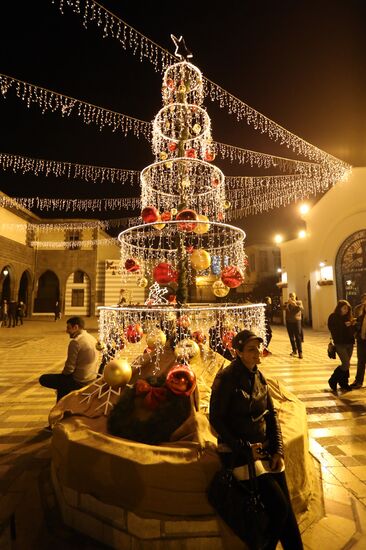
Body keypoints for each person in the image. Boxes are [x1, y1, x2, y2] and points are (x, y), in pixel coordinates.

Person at [209, 329, 303, 549]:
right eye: (251, 349)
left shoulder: (259, 376)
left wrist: (278, 449)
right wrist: (243, 448)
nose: (257, 352)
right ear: (238, 352)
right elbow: (216, 419)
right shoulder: (227, 378)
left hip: (265, 450)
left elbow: (271, 414)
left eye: (258, 348)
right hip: (241, 454)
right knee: (279, 507)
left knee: (286, 507)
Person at [39, 316, 98, 402]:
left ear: (76, 327)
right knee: (61, 386)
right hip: (91, 377)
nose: (67, 331)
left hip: (79, 380)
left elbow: (69, 369)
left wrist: (63, 377)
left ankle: (60, 407)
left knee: (44, 379)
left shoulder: (76, 342)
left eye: (68, 328)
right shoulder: (92, 338)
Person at [327, 300, 355, 392]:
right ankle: (333, 380)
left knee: (346, 365)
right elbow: (332, 329)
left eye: (348, 309)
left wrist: (353, 324)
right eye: (344, 308)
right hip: (340, 343)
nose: (346, 310)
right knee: (346, 363)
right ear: (339, 308)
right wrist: (344, 325)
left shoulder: (349, 317)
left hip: (350, 343)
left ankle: (344, 383)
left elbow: (353, 330)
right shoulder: (333, 317)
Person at [350, 293, 366, 389]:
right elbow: (357, 324)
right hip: (361, 340)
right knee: (361, 361)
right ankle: (358, 381)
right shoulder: (360, 313)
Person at [284, 292, 304, 359]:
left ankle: (300, 352)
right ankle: (294, 350)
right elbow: (282, 308)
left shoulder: (299, 302)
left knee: (298, 337)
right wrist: (287, 304)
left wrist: (293, 303)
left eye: (292, 296)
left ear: (295, 296)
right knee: (291, 337)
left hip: (296, 322)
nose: (291, 297)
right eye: (290, 296)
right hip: (289, 322)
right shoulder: (287, 303)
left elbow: (301, 308)